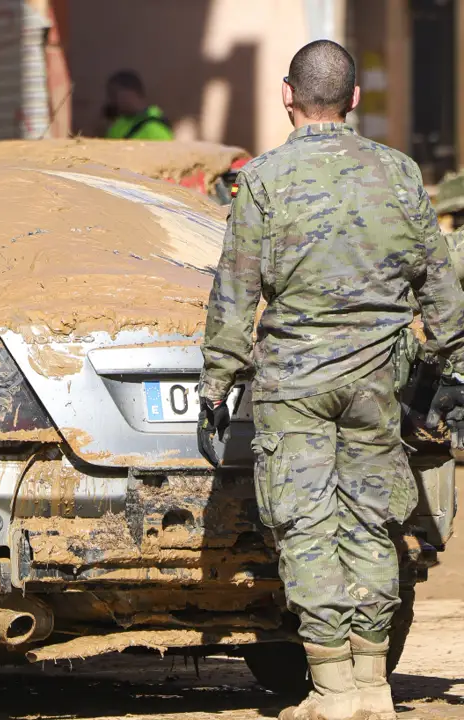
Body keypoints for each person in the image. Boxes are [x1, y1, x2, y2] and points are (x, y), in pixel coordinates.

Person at [198, 39, 464, 720]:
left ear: (288, 94)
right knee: (373, 524)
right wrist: (446, 371)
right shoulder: (400, 174)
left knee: (307, 526)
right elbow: (444, 294)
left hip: (295, 386)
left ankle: (332, 689)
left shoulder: (263, 179)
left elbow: (235, 292)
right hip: (378, 380)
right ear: (352, 99)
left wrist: (215, 383)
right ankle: (374, 682)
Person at [103, 70, 174, 140]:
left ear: (131, 93)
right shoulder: (119, 123)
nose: (112, 101)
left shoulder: (155, 129)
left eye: (114, 95)